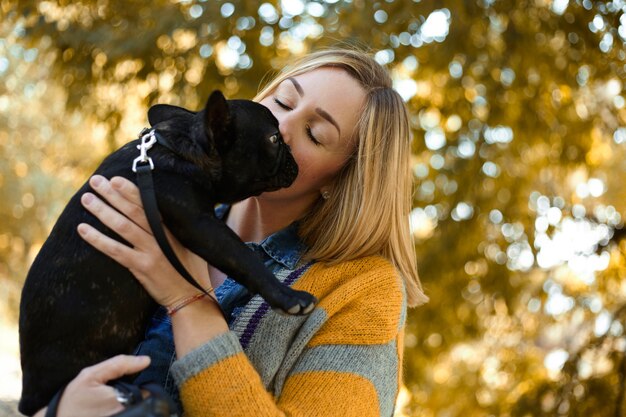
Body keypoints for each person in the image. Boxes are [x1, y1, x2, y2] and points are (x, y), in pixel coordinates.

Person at [33, 48, 428, 417]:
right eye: (283, 102)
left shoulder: (365, 292)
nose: (283, 128)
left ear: (340, 180)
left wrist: (188, 300)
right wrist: (60, 409)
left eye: (315, 134)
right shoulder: (154, 209)